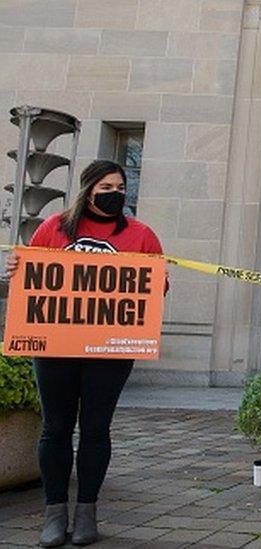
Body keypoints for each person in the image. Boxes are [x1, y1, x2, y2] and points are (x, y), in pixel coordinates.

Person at [4, 160, 166, 547]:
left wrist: (155, 282)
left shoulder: (142, 236)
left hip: (109, 351)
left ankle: (87, 512)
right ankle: (54, 513)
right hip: (55, 347)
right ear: (88, 189)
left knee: (96, 429)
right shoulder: (53, 229)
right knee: (55, 428)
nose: (115, 194)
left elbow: (154, 292)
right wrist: (15, 267)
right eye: (106, 187)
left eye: (120, 187)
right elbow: (30, 281)